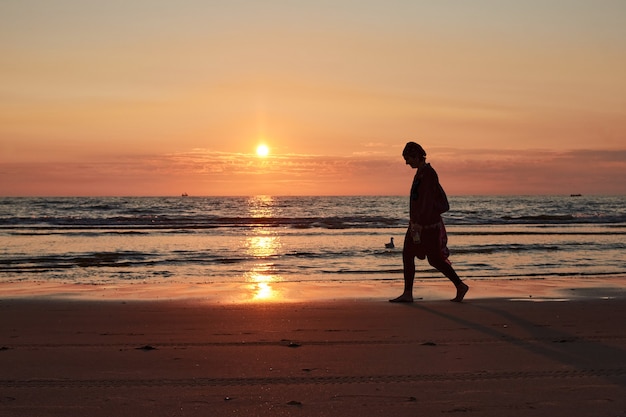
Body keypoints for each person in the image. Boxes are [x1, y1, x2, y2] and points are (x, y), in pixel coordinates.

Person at [390, 142, 469, 303]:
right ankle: (409, 293)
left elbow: (426, 201)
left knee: (429, 258)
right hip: (419, 224)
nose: (406, 162)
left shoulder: (428, 173)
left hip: (425, 226)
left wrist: (418, 223)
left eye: (408, 158)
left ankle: (459, 286)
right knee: (415, 256)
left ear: (417, 156)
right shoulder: (421, 172)